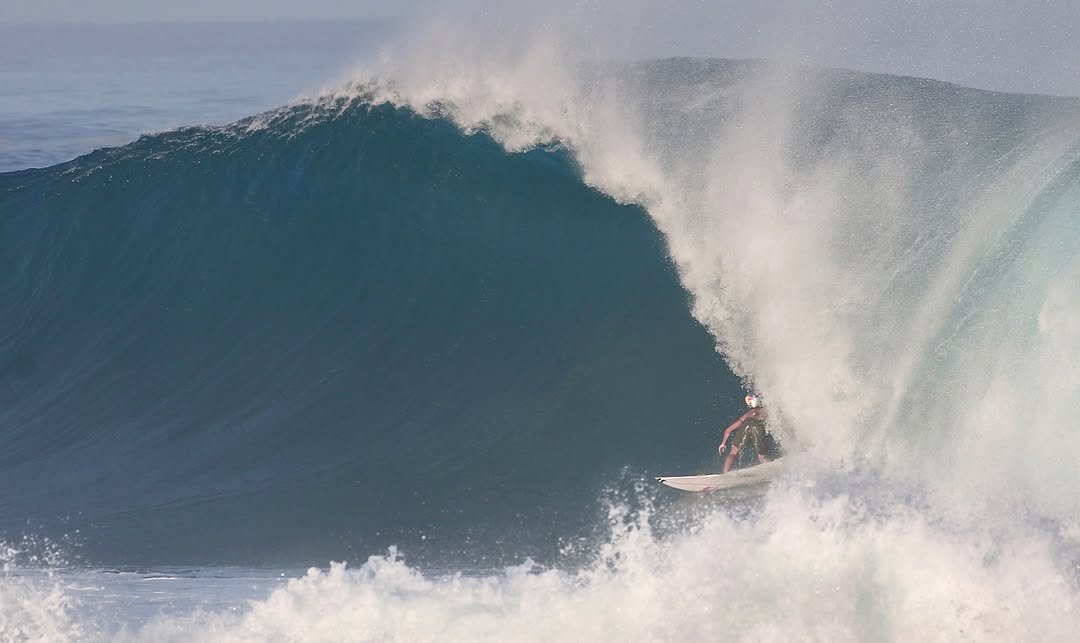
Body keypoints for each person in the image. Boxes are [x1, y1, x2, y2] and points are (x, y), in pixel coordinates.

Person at [717, 394, 773, 473]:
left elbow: (728, 430)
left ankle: (725, 472)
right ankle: (769, 471)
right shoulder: (767, 411)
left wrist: (723, 443)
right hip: (758, 426)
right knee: (761, 455)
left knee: (733, 452)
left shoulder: (747, 415)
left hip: (746, 423)